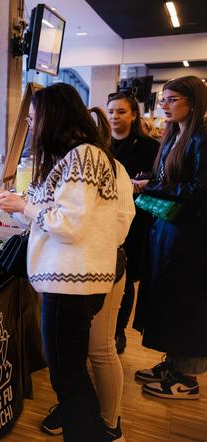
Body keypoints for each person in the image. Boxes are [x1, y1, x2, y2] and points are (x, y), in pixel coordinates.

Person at [0, 83, 134, 441]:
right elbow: (41, 214)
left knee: (68, 377)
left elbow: (69, 225)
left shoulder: (83, 157)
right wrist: (4, 199)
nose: (30, 127)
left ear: (53, 117)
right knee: (68, 374)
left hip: (72, 282)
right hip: (69, 281)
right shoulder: (70, 159)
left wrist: (22, 205)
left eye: (33, 119)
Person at [132, 75, 207, 399]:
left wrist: (153, 187)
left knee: (185, 303)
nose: (164, 105)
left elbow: (200, 190)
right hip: (168, 229)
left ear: (193, 102)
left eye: (172, 99)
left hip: (190, 235)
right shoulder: (175, 133)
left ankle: (187, 379)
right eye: (163, 99)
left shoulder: (202, 137)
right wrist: (152, 182)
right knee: (168, 298)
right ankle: (173, 364)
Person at [106, 91, 160, 354]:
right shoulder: (99, 145)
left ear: (134, 115)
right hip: (103, 220)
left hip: (135, 222)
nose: (115, 116)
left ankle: (117, 332)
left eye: (121, 111)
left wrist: (142, 185)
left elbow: (159, 182)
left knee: (125, 280)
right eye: (111, 111)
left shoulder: (149, 147)